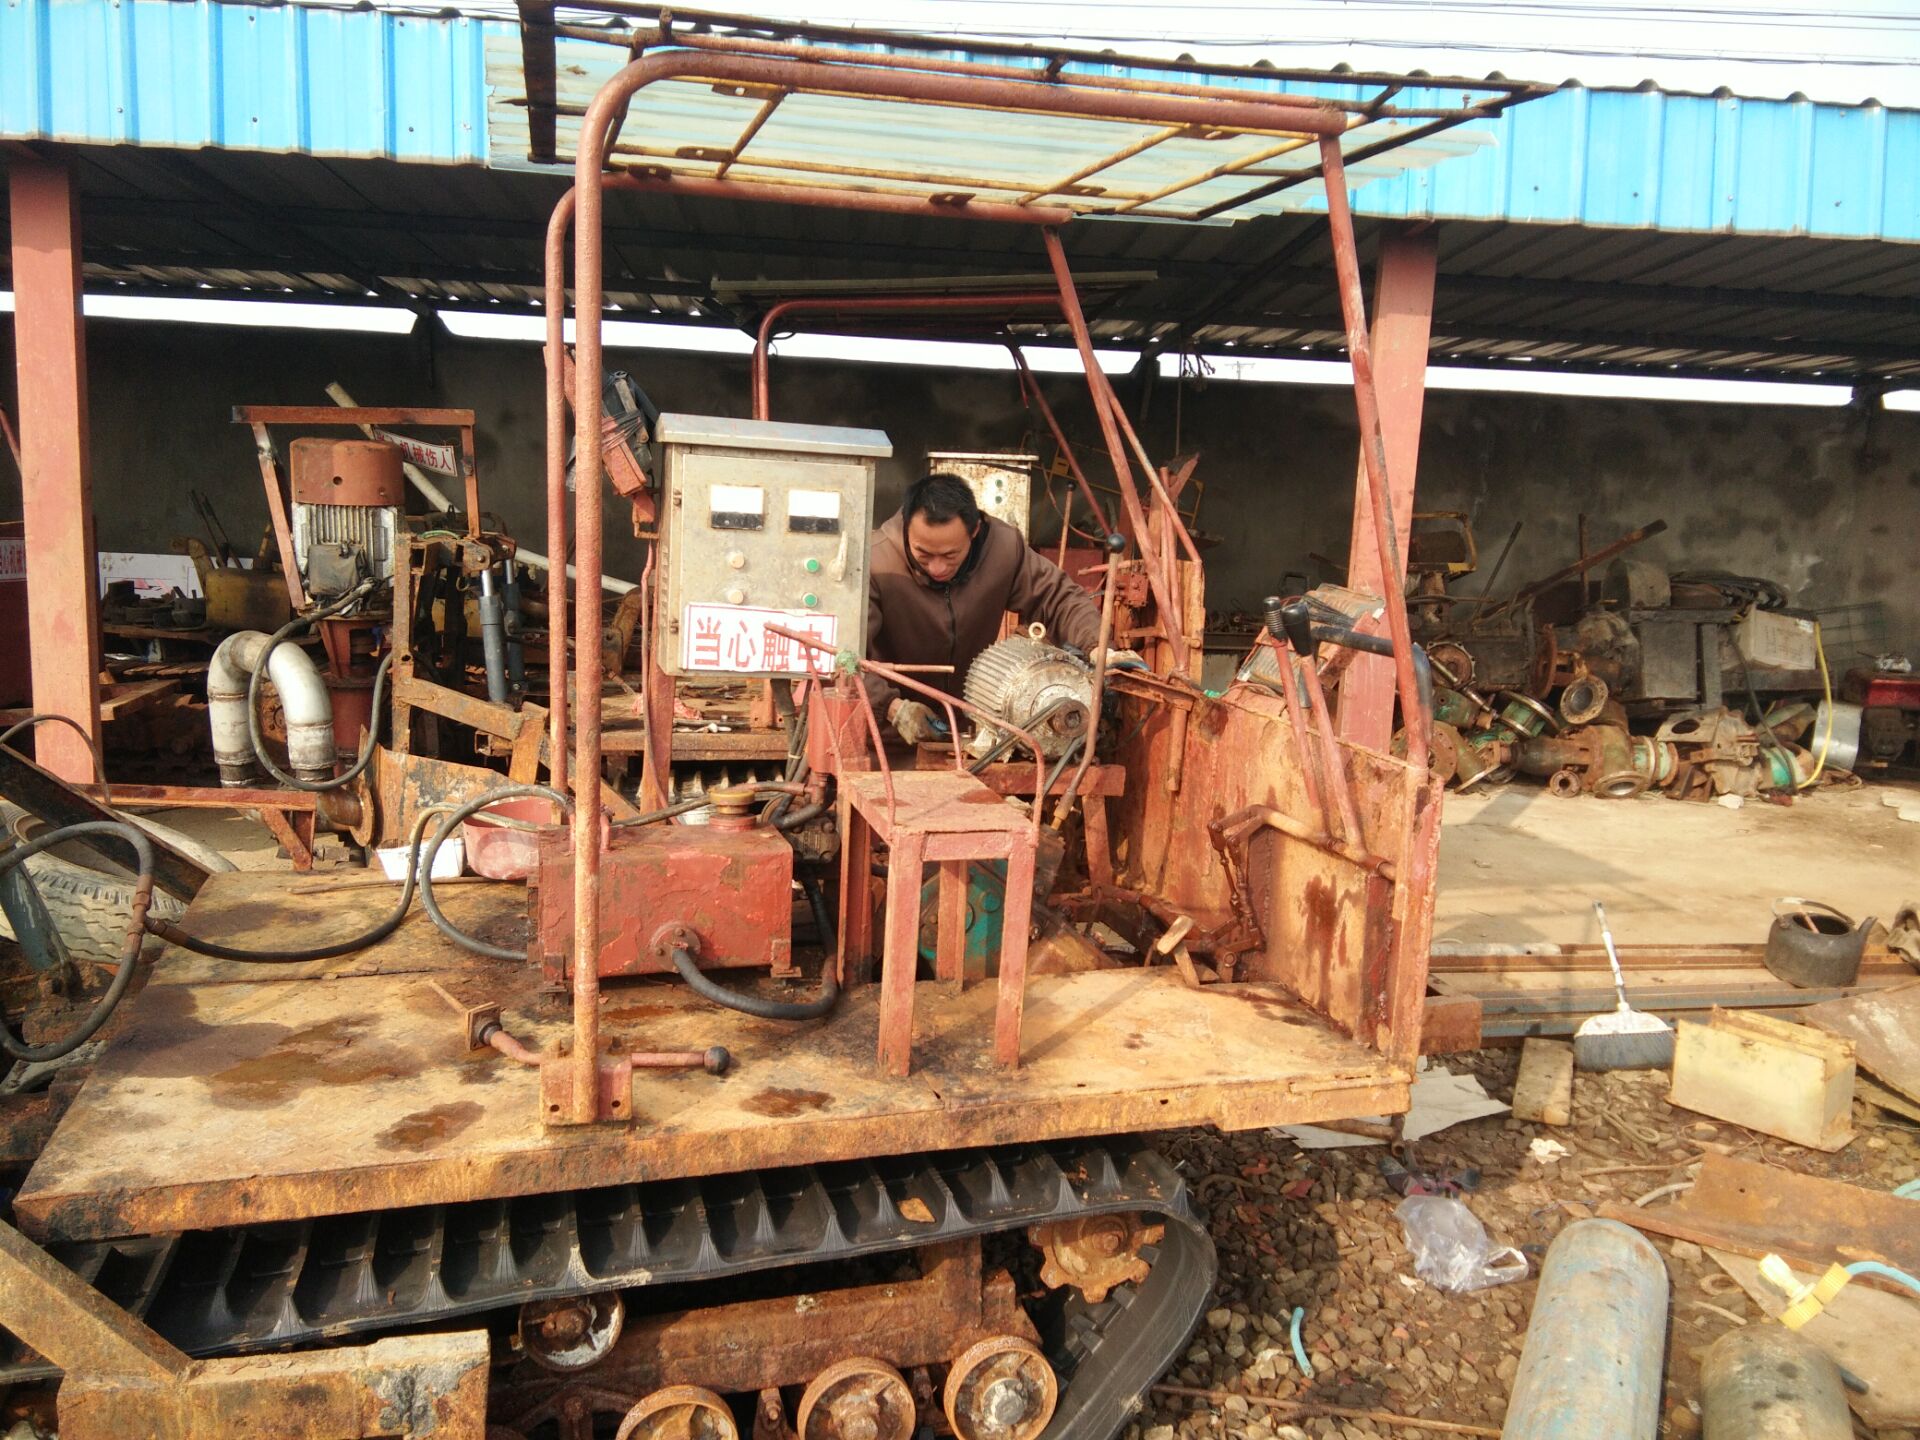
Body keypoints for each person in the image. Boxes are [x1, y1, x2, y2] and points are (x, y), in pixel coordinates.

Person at [865, 472, 1136, 744]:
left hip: (971, 735)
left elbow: (1057, 597)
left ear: (974, 532)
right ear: (906, 529)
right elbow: (847, 658)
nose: (937, 568)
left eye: (950, 555)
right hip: (889, 739)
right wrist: (893, 709)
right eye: (923, 554)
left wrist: (1097, 646)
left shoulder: (1004, 549)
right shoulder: (875, 562)